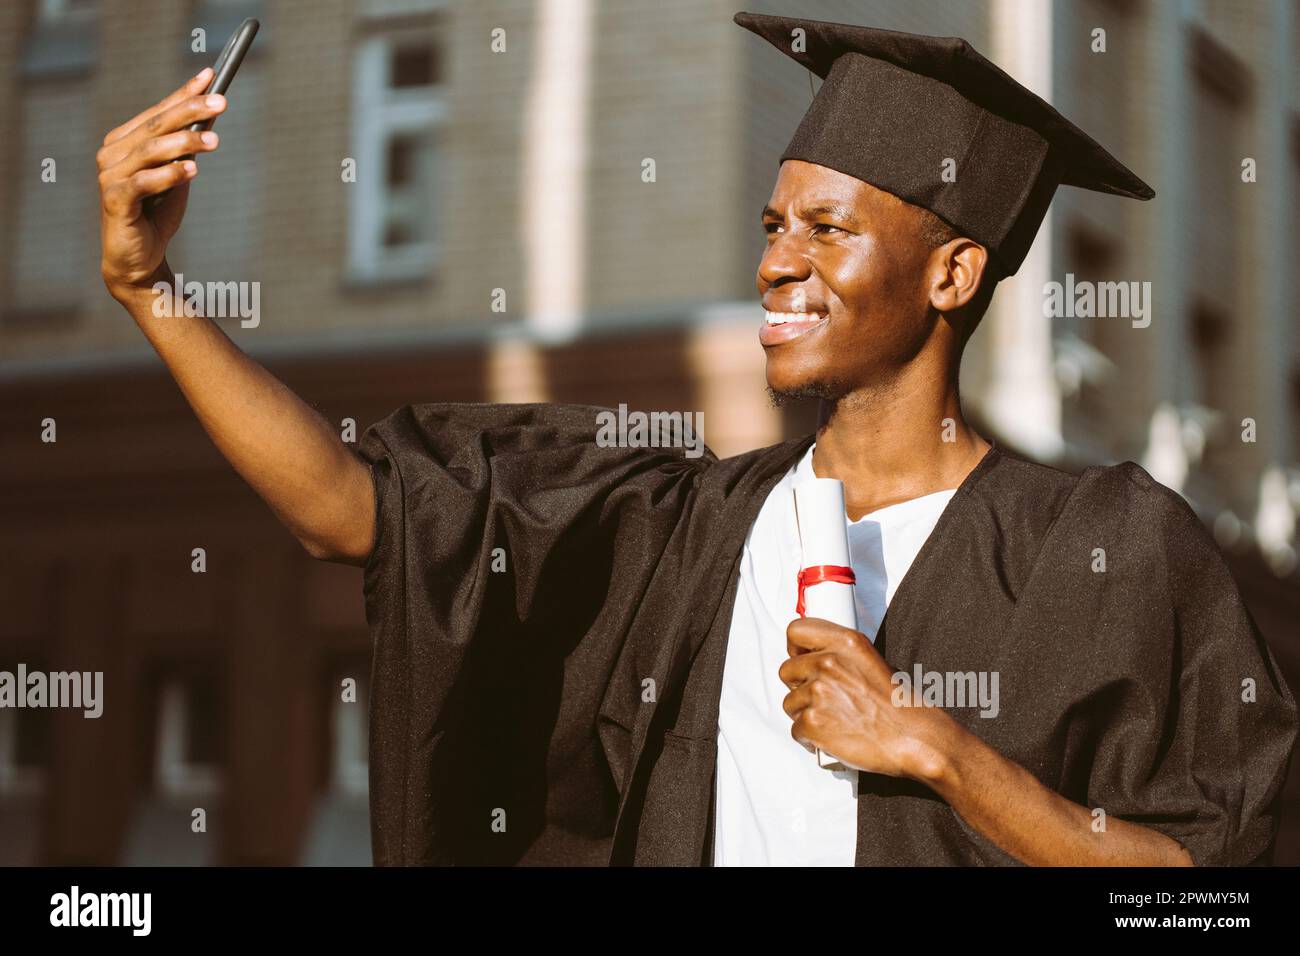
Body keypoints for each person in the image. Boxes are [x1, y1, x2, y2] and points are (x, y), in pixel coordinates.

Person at [97, 12, 1297, 866]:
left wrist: (939, 752)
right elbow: (351, 511)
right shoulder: (685, 527)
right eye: (772, 222)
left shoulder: (1113, 549)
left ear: (952, 268)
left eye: (827, 227)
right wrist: (151, 287)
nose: (777, 259)